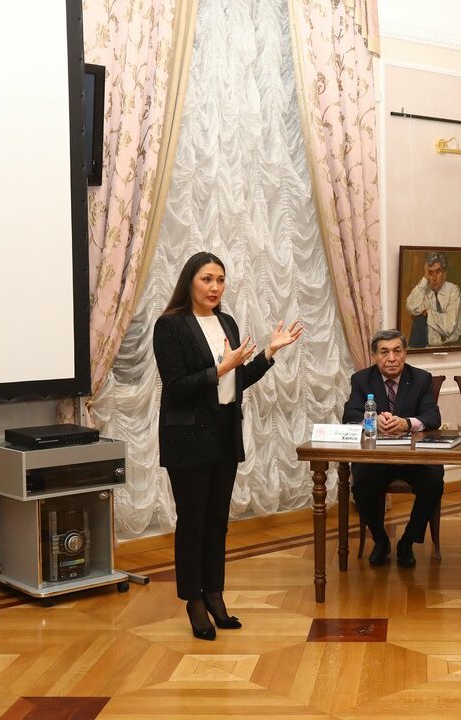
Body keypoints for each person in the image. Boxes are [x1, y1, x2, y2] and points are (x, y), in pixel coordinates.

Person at [153, 251, 304, 640]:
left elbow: (235, 382)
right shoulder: (170, 326)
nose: (215, 287)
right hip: (188, 438)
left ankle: (215, 594)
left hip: (223, 434)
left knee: (217, 522)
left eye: (220, 280)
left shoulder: (227, 323)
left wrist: (270, 352)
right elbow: (177, 387)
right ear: (189, 282)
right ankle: (194, 600)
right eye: (207, 279)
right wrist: (223, 367)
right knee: (193, 522)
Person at [342, 329, 444, 569]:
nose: (392, 358)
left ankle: (407, 541)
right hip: (377, 458)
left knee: (434, 478)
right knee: (361, 482)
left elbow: (433, 416)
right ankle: (380, 540)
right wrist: (372, 419)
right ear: (374, 356)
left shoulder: (421, 378)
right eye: (384, 352)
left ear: (405, 353)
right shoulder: (361, 379)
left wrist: (407, 423)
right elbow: (349, 415)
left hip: (413, 458)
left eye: (397, 351)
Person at [405, 252, 461, 347]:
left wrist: (428, 313)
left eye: (438, 272)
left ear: (444, 273)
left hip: (455, 343)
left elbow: (449, 327)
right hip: (433, 344)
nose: (434, 278)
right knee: (418, 320)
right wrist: (425, 279)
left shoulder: (453, 290)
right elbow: (410, 307)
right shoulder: (425, 291)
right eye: (430, 273)